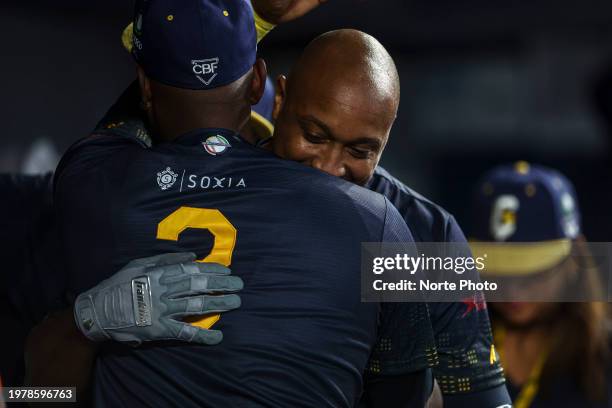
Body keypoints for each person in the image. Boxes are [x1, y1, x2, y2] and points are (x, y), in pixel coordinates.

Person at [41, 0, 437, 406]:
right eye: (315, 137)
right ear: (261, 86)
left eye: (357, 149)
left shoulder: (95, 183)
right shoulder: (381, 221)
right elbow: (410, 394)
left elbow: (37, 397)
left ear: (144, 85)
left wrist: (82, 324)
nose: (330, 166)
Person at [469, 161, 611, 407]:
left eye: (532, 274)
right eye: (498, 272)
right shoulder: (452, 346)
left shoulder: (603, 356)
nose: (512, 290)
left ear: (575, 258)